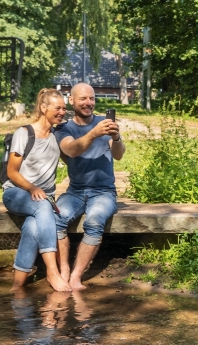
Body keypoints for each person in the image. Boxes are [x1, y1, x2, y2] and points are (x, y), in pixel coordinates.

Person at [54, 83, 126, 291]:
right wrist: (94, 133)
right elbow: (71, 150)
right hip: (75, 191)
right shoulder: (64, 128)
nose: (89, 103)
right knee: (57, 218)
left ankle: (76, 276)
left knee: (94, 221)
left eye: (92, 98)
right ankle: (64, 269)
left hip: (104, 192)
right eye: (83, 99)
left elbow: (118, 155)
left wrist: (116, 137)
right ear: (72, 101)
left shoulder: (105, 123)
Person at [2, 88, 71, 292]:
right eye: (57, 108)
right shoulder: (24, 133)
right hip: (16, 193)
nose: (62, 112)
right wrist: (32, 188)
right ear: (43, 107)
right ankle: (52, 271)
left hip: (42, 198)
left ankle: (17, 287)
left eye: (64, 109)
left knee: (32, 227)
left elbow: (73, 157)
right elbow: (11, 172)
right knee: (42, 206)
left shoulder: (57, 136)